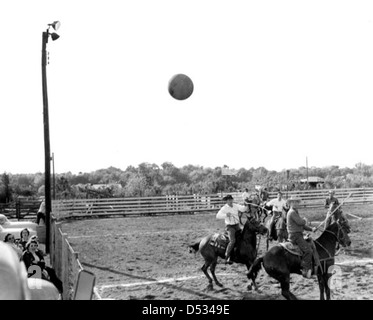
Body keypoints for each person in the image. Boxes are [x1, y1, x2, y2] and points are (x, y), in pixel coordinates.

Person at [286, 196, 317, 279]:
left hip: (297, 234)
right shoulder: (292, 212)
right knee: (308, 250)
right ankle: (305, 270)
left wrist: (311, 229)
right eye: (293, 202)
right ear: (290, 203)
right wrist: (305, 220)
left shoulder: (295, 211)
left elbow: (302, 225)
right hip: (295, 235)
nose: (295, 203)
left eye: (296, 202)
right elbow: (300, 222)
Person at [216, 194, 249, 264]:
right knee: (232, 241)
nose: (230, 201)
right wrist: (225, 215)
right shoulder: (224, 208)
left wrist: (246, 205)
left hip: (237, 225)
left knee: (243, 237)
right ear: (226, 201)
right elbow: (218, 216)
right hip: (230, 226)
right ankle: (227, 256)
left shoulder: (236, 205)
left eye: (231, 199)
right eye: (228, 200)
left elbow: (243, 209)